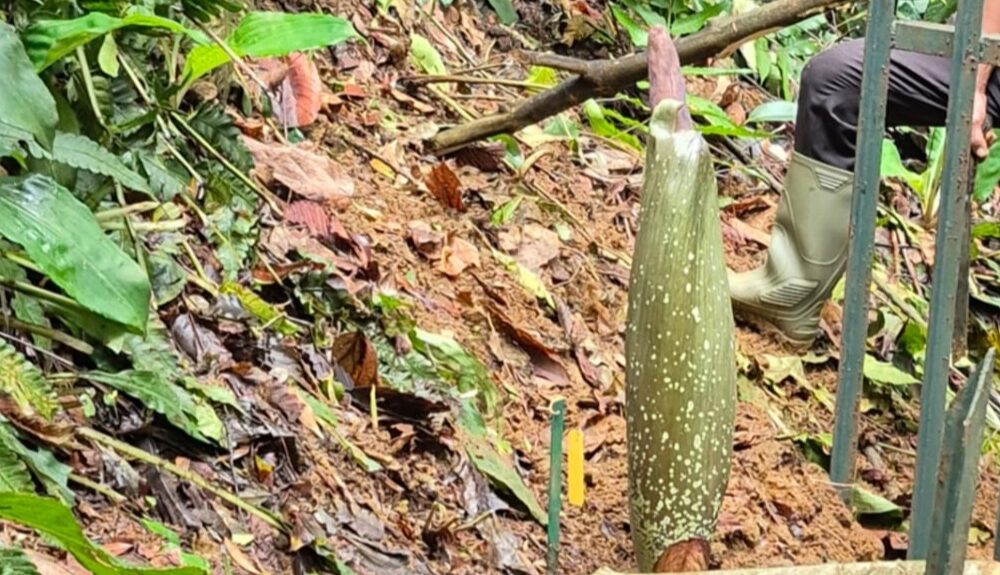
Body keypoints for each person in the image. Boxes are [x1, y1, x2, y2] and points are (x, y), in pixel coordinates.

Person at [727, 1, 1000, 346]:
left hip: (985, 47)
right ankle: (790, 289)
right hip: (976, 41)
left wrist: (973, 84)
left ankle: (791, 290)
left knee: (837, 81)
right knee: (836, 81)